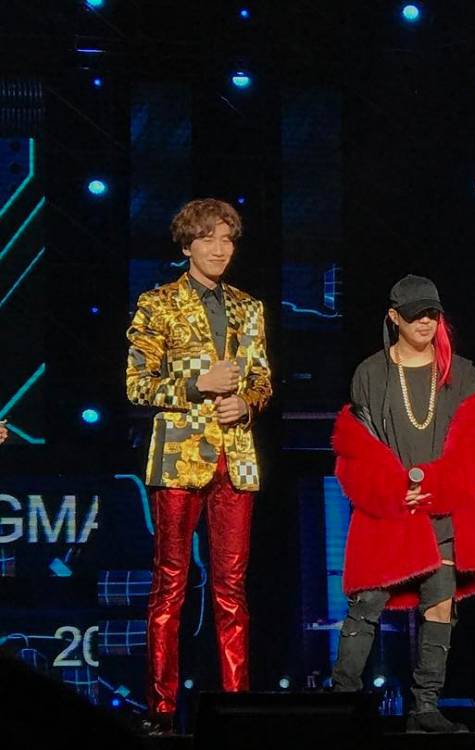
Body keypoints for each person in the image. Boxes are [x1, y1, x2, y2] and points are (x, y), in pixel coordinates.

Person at [126, 198, 272, 734]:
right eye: (208, 238)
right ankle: (161, 710)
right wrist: (197, 385)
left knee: (232, 588)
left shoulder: (248, 307)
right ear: (187, 245)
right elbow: (136, 384)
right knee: (170, 583)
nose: (219, 249)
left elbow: (262, 379)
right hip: (179, 459)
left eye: (227, 238)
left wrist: (247, 404)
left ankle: (237, 707)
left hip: (236, 459)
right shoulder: (158, 303)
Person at [330, 274, 475, 733]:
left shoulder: (462, 374)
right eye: (415, 314)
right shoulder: (370, 373)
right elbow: (357, 447)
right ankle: (340, 702)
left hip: (443, 507)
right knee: (366, 602)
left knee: (439, 603)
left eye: (432, 313)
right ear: (394, 317)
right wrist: (390, 487)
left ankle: (425, 708)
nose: (425, 321)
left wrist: (440, 486)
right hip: (389, 509)